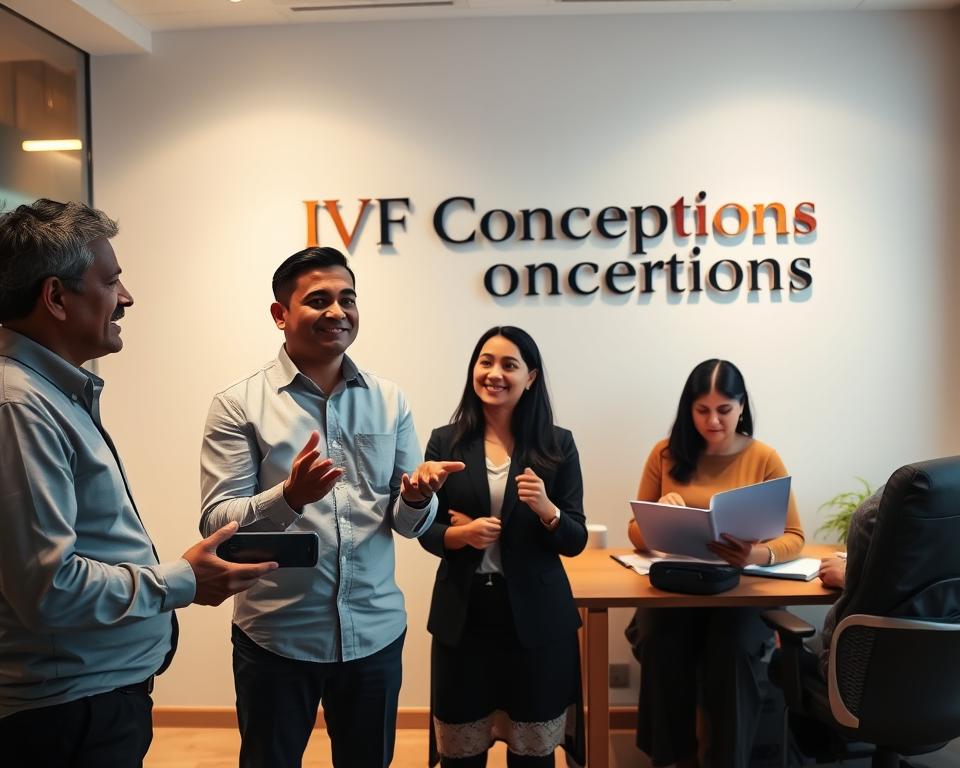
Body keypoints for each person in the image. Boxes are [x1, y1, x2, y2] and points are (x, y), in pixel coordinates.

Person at [0, 199, 276, 768]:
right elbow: (50, 590)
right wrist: (181, 579)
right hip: (69, 714)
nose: (126, 298)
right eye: (111, 280)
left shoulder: (47, 396)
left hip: (89, 701)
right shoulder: (19, 407)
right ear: (55, 297)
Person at [200, 246, 453, 768]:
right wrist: (288, 497)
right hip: (277, 635)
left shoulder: (389, 399)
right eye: (318, 300)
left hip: (375, 633)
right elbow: (215, 521)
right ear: (280, 314)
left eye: (347, 299)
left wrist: (416, 498)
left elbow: (409, 526)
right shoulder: (239, 404)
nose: (338, 312)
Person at [415, 326, 587, 768]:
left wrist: (548, 510)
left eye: (509, 365)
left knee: (532, 756)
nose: (494, 373)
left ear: (530, 377)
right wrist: (460, 536)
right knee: (461, 754)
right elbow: (424, 527)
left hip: (537, 622)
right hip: (464, 617)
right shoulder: (445, 441)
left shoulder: (556, 443)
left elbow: (575, 539)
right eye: (485, 362)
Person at [625, 358, 805, 768]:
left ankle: (727, 760)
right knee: (659, 640)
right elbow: (635, 530)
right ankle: (676, 759)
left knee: (732, 650)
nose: (713, 421)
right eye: (702, 410)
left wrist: (754, 554)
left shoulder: (763, 457)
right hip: (678, 582)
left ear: (742, 406)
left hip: (737, 588)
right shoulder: (666, 453)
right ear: (688, 409)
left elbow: (794, 538)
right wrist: (658, 513)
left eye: (724, 410)